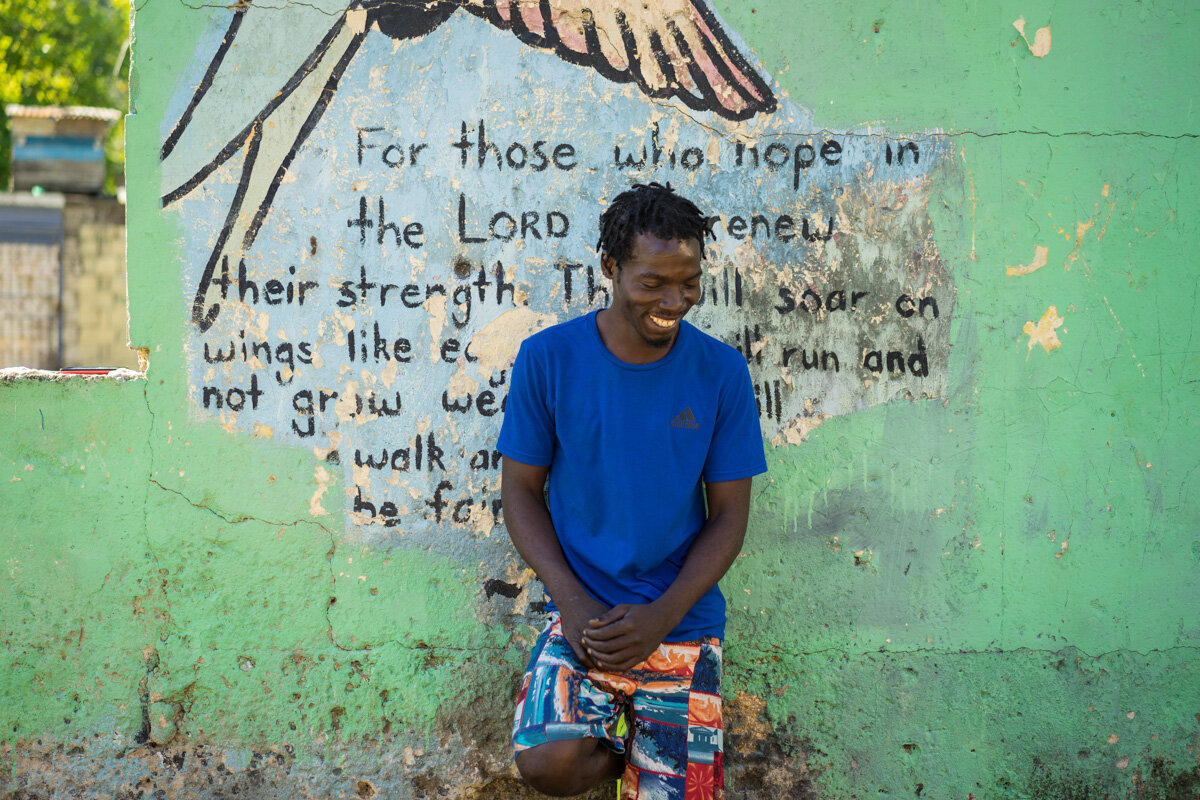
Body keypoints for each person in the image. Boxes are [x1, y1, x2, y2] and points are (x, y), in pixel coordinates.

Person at [497, 182, 767, 798]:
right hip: (582, 620)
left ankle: (656, 765)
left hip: (682, 622)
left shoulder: (721, 372)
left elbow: (729, 515)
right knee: (548, 762)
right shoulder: (549, 358)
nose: (675, 300)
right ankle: (629, 753)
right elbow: (519, 492)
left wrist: (662, 617)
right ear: (611, 269)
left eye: (689, 282)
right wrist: (568, 599)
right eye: (653, 283)